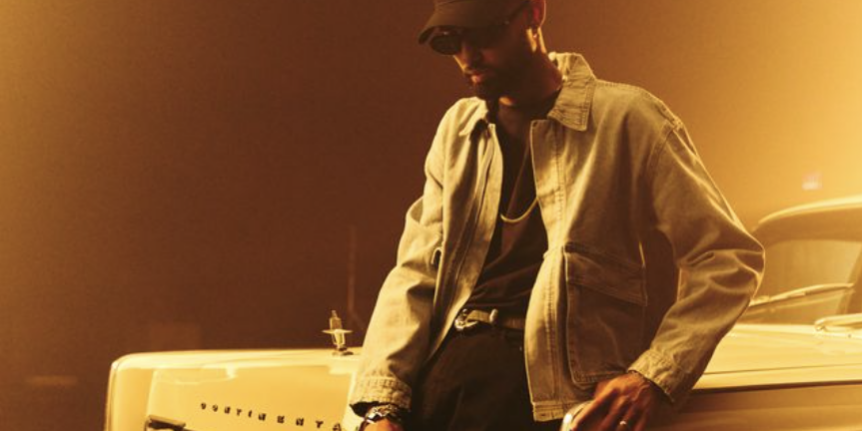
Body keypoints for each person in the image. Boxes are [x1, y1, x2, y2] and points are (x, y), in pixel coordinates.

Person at [349, 0, 764, 430]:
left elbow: (727, 258)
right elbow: (416, 272)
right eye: (450, 42)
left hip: (556, 402)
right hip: (442, 387)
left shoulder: (627, 118)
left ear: (534, 14)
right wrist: (382, 406)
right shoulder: (458, 129)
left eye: (484, 33)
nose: (468, 56)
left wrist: (654, 375)